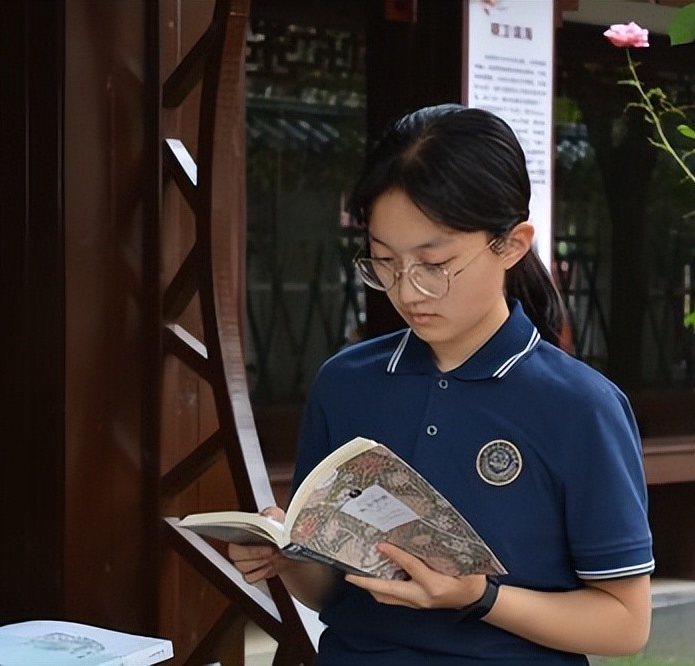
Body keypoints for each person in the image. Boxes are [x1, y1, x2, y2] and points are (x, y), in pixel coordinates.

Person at [229, 104, 654, 665]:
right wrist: (288, 559)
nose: (407, 292)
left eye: (434, 264)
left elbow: (625, 625)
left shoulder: (579, 406)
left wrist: (478, 597)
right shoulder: (346, 383)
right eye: (384, 262)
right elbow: (332, 592)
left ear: (512, 243)